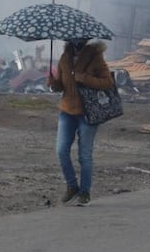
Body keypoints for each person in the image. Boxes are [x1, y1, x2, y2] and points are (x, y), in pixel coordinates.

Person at [46, 38, 114, 206]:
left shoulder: (95, 56)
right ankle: (72, 186)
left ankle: (85, 192)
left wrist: (84, 78)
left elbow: (108, 82)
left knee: (84, 155)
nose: (77, 41)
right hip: (67, 110)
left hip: (88, 112)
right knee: (61, 150)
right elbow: (61, 86)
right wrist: (53, 83)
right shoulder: (65, 57)